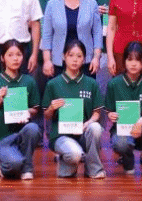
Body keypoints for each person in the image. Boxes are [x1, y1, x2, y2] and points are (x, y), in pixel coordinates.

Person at [43, 40, 105, 178]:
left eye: (79, 56)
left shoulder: (91, 83)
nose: (75, 60)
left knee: (95, 128)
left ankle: (94, 169)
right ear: (63, 57)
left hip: (83, 132)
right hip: (61, 135)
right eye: (71, 55)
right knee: (74, 156)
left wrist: (89, 122)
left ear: (84, 59)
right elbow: (46, 116)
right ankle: (67, 157)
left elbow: (97, 112)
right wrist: (52, 108)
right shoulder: (53, 84)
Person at [0, 41, 41, 180]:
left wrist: (25, 111)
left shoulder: (29, 81)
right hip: (0, 138)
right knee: (14, 164)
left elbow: (35, 109)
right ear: (2, 58)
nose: (15, 58)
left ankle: (27, 168)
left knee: (33, 128)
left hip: (21, 134)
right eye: (10, 55)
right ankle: (6, 166)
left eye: (19, 55)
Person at [105, 41, 142, 178]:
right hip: (124, 129)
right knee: (120, 143)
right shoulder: (114, 83)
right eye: (130, 59)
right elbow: (109, 110)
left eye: (138, 60)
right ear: (124, 61)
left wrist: (140, 122)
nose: (133, 64)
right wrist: (111, 115)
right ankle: (128, 161)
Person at [41, 0, 104, 77]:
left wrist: (96, 58)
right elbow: (46, 35)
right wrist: (47, 61)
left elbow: (97, 34)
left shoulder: (91, 4)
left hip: (86, 62)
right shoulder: (52, 4)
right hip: (58, 63)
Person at [91, 0, 130, 101]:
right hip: (103, 50)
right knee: (102, 91)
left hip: (128, 50)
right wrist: (95, 11)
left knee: (126, 92)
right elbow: (87, 18)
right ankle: (101, 117)